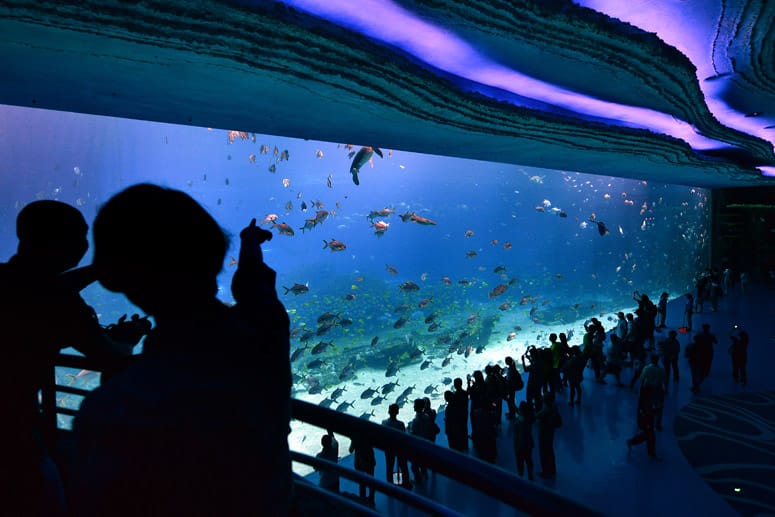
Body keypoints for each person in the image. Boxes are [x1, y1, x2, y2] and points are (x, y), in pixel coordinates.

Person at [70, 184, 292, 516]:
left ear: (111, 277)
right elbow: (254, 284)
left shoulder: (114, 408)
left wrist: (124, 349)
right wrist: (249, 242)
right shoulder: (264, 330)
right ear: (216, 257)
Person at [0, 200, 149, 517]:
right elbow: (110, 356)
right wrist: (127, 339)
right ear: (62, 243)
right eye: (81, 235)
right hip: (16, 438)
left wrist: (98, 270)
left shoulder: (8, 278)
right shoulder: (60, 302)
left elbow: (39, 285)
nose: (85, 243)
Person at [382, 404, 412, 489]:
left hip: (388, 448)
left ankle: (390, 485)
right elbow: (403, 436)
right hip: (400, 448)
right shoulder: (401, 424)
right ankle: (406, 483)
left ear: (388, 412)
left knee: (389, 466)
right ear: (397, 412)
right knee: (403, 466)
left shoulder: (384, 423)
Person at [535, 392, 561, 479]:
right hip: (550, 432)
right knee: (549, 451)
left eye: (544, 397)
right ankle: (552, 470)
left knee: (544, 453)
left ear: (546, 399)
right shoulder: (553, 406)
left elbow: (537, 416)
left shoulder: (546, 409)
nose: (542, 397)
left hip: (544, 433)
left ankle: (546, 472)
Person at [349, 436, 376, 505]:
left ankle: (362, 499)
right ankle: (371, 499)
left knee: (361, 482)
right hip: (370, 459)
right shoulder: (368, 434)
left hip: (360, 462)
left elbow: (350, 450)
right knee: (371, 480)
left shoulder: (355, 438)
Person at [512, 401, 535, 481]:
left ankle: (520, 475)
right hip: (528, 443)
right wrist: (511, 404)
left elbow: (520, 435)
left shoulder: (520, 421)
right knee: (529, 460)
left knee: (520, 461)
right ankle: (530, 474)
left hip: (520, 444)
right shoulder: (528, 418)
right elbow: (518, 411)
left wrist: (517, 446)